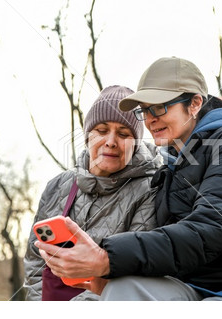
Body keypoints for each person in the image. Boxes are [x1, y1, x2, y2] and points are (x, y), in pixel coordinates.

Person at [35, 57, 222, 301]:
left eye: (160, 107)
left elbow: (210, 231)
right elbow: (169, 246)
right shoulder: (170, 165)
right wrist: (106, 279)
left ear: (194, 103)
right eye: (145, 110)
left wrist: (107, 258)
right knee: (123, 290)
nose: (150, 119)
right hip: (197, 285)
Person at [23, 85, 162, 301]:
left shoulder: (150, 189)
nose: (111, 141)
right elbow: (35, 260)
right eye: (102, 130)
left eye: (124, 134)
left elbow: (131, 275)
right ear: (88, 135)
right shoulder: (58, 186)